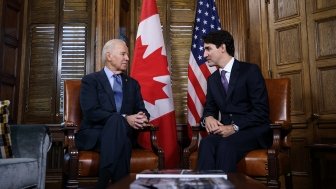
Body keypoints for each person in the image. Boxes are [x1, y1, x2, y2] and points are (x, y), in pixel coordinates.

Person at [75, 39, 150, 188]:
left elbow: (142, 109)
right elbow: (91, 112)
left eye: (127, 55)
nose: (127, 58)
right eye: (123, 54)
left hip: (123, 135)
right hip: (96, 135)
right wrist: (124, 118)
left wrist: (142, 116)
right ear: (109, 56)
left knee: (118, 129)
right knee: (117, 121)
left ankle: (103, 182)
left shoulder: (133, 84)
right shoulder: (91, 81)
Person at [197, 30, 272, 173]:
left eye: (208, 49)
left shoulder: (250, 71)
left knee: (226, 145)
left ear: (223, 48)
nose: (204, 55)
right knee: (206, 143)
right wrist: (208, 117)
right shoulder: (212, 80)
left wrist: (234, 127)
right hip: (226, 133)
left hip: (252, 131)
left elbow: (261, 112)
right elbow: (209, 109)